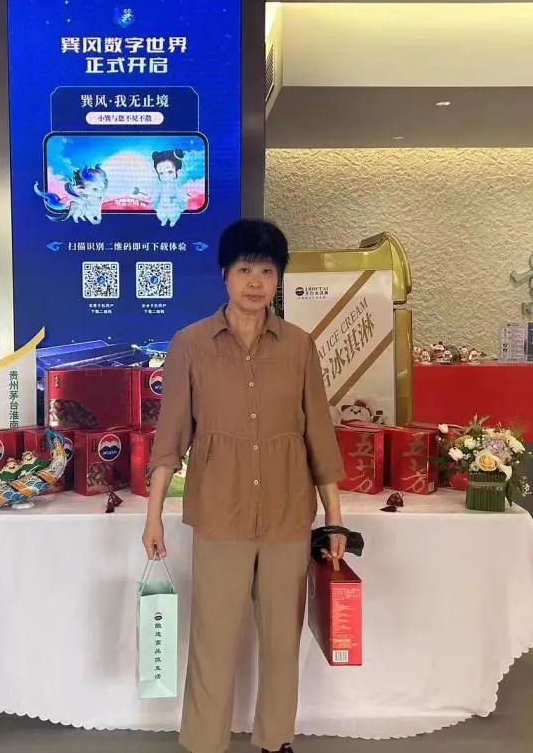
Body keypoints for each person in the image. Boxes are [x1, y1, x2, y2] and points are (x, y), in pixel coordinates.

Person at [143, 219, 347, 753]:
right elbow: (170, 437)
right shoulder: (190, 344)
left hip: (287, 514)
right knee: (213, 638)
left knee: (282, 638)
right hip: (219, 513)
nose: (255, 282)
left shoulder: (299, 346)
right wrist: (153, 515)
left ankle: (276, 738)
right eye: (244, 269)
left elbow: (319, 435)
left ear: (278, 279)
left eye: (267, 271)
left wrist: (335, 519)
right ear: (225, 274)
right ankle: (203, 742)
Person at [151, 149, 187, 227]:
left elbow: (180, 196)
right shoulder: (160, 186)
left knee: (173, 214)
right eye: (161, 173)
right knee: (161, 214)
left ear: (178, 171)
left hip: (173, 206)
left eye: (170, 172)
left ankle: (173, 221)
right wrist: (155, 204)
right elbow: (156, 196)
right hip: (162, 205)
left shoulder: (176, 186)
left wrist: (182, 206)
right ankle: (163, 220)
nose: (165, 176)